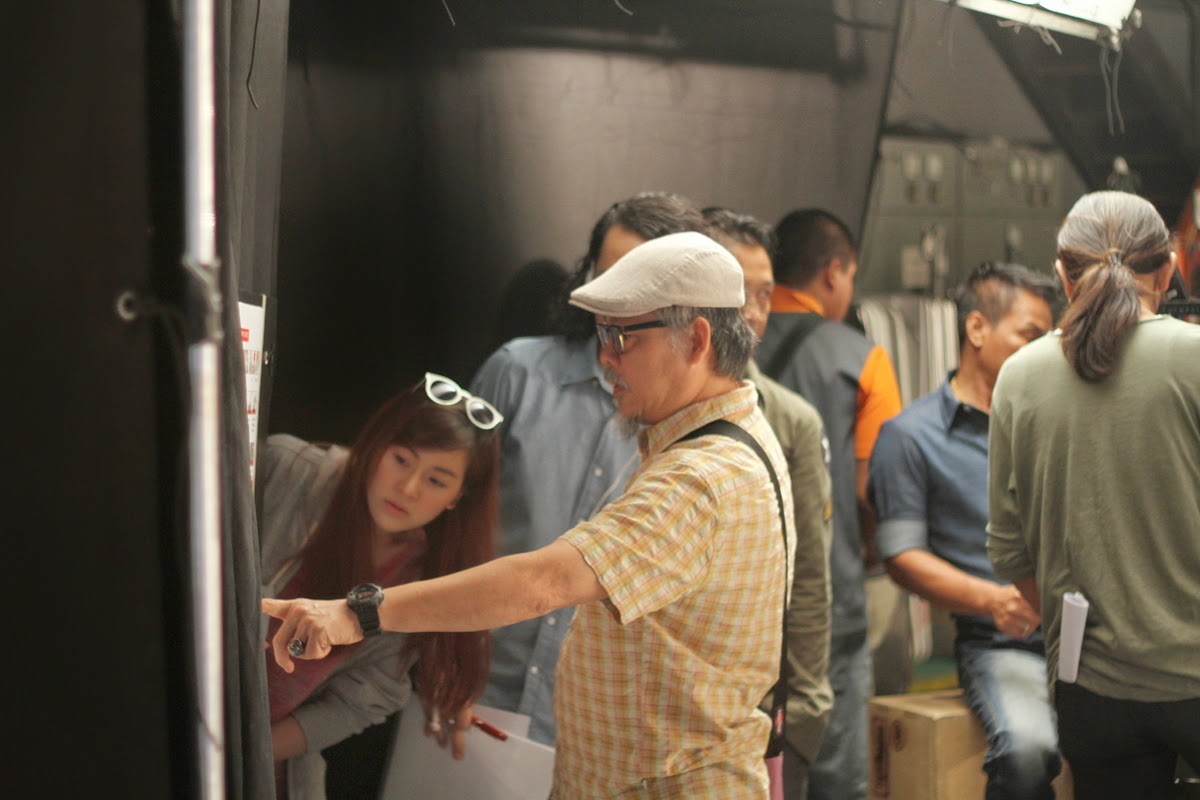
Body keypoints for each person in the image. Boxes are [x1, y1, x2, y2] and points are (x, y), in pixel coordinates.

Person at [266, 231, 796, 798]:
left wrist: (360, 613)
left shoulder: (701, 477)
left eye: (622, 337)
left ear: (696, 339)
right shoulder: (731, 438)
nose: (606, 357)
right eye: (603, 335)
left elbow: (545, 582)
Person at [469, 191, 706, 745]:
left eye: (639, 284)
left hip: (601, 719)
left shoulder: (693, 428)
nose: (615, 301)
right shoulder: (518, 372)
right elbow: (448, 523)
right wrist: (442, 663)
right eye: (607, 276)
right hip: (480, 686)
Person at [987, 190, 1200, 799]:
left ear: (1062, 275)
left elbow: (1009, 551)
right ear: (1168, 269)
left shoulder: (1019, 376)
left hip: (1093, 691)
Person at [259, 375, 501, 800]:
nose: (408, 488)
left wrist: (245, 751)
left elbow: (360, 701)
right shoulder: (289, 470)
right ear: (378, 445)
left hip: (259, 768)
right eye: (402, 460)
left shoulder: (424, 585)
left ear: (458, 496)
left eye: (437, 480)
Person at [869, 262, 1059, 799]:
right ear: (977, 328)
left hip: (1090, 637)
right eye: (1029, 335)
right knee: (1026, 750)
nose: (1042, 351)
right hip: (1003, 639)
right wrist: (994, 599)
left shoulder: (1056, 420)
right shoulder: (911, 436)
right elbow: (901, 554)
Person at [754, 208, 901, 800]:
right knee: (838, 777)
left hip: (743, 601)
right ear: (834, 272)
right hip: (831, 598)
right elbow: (872, 491)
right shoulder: (862, 357)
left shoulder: (720, 348)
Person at [704, 206, 834, 799]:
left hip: (763, 716)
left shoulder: (790, 420)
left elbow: (807, 579)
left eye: (764, 294)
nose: (755, 312)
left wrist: (804, 714)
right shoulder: (640, 407)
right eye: (741, 292)